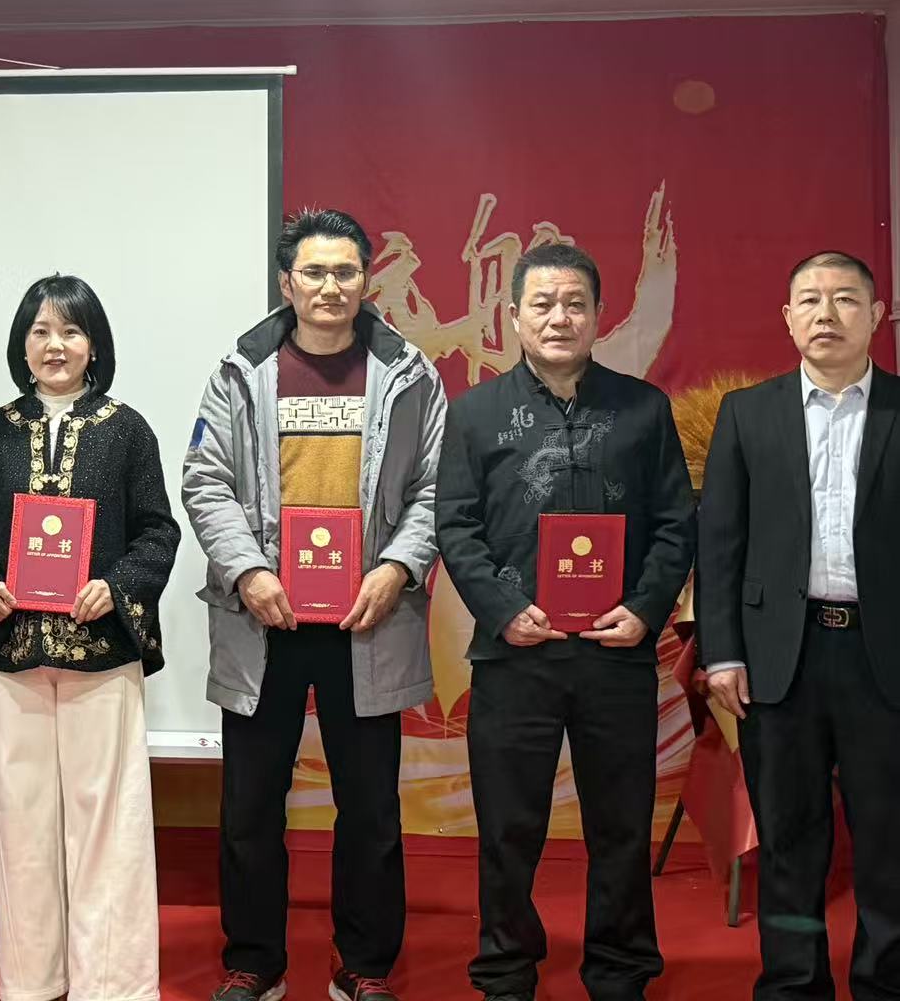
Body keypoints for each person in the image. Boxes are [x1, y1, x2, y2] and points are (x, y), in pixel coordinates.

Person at [183, 208, 445, 1001]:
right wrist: (248, 572)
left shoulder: (409, 373)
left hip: (368, 619)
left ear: (366, 279)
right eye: (314, 272)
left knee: (369, 809)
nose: (330, 287)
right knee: (249, 807)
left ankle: (363, 967)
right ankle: (254, 964)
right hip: (264, 618)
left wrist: (396, 567)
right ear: (286, 281)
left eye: (345, 272)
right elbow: (205, 481)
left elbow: (436, 488)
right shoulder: (240, 370)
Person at [436, 242, 696, 1001]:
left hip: (616, 653)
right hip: (514, 653)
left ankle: (619, 968)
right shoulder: (474, 412)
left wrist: (643, 611)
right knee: (507, 825)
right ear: (514, 315)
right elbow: (456, 526)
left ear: (598, 315)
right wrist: (502, 610)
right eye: (543, 304)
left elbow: (676, 524)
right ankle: (505, 967)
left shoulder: (642, 408)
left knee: (621, 823)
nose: (559, 317)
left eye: (575, 303)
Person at [0, 274, 180, 1001]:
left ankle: (112, 984)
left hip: (100, 653)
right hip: (13, 653)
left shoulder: (127, 430)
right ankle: (30, 981)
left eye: (71, 331)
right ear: (22, 345)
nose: (55, 345)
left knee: (108, 821)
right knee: (21, 821)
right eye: (41, 331)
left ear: (94, 345)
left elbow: (157, 531)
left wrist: (118, 584)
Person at [698, 250, 900, 1000]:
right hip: (780, 657)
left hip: (886, 658)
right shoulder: (747, 414)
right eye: (809, 300)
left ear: (875, 315)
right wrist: (722, 652)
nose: (826, 314)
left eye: (844, 299)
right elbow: (718, 542)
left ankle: (884, 982)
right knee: (787, 839)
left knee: (889, 839)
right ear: (787, 319)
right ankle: (792, 984)